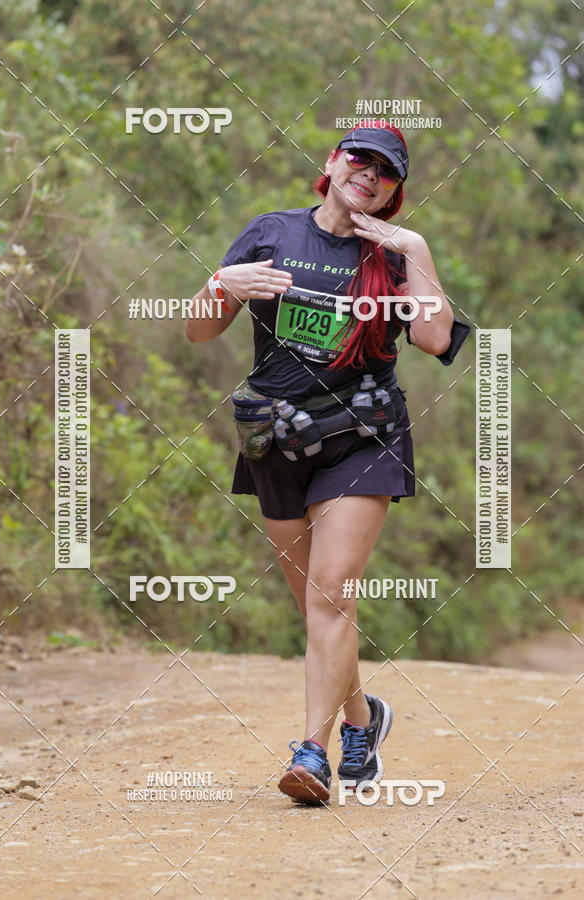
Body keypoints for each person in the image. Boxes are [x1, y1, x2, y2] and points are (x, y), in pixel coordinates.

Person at [186, 122, 469, 805]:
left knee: (332, 593)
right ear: (331, 162)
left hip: (362, 438)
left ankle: (311, 753)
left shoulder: (397, 256)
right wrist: (222, 282)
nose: (368, 174)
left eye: (385, 171)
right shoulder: (271, 232)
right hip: (274, 439)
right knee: (314, 605)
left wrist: (419, 249)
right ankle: (363, 720)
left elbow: (434, 336)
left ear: (394, 191)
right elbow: (197, 328)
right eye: (358, 160)